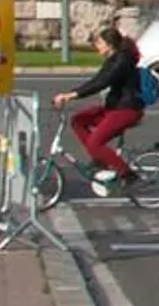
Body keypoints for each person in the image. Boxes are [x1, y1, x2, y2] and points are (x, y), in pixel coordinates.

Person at [51, 26, 147, 195]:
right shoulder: (113, 59)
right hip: (114, 107)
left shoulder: (122, 61)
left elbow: (101, 83)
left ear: (110, 44)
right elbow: (96, 80)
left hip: (126, 110)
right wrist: (70, 94)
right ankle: (100, 159)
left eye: (100, 43)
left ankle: (130, 176)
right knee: (78, 121)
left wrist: (70, 96)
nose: (97, 47)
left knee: (95, 143)